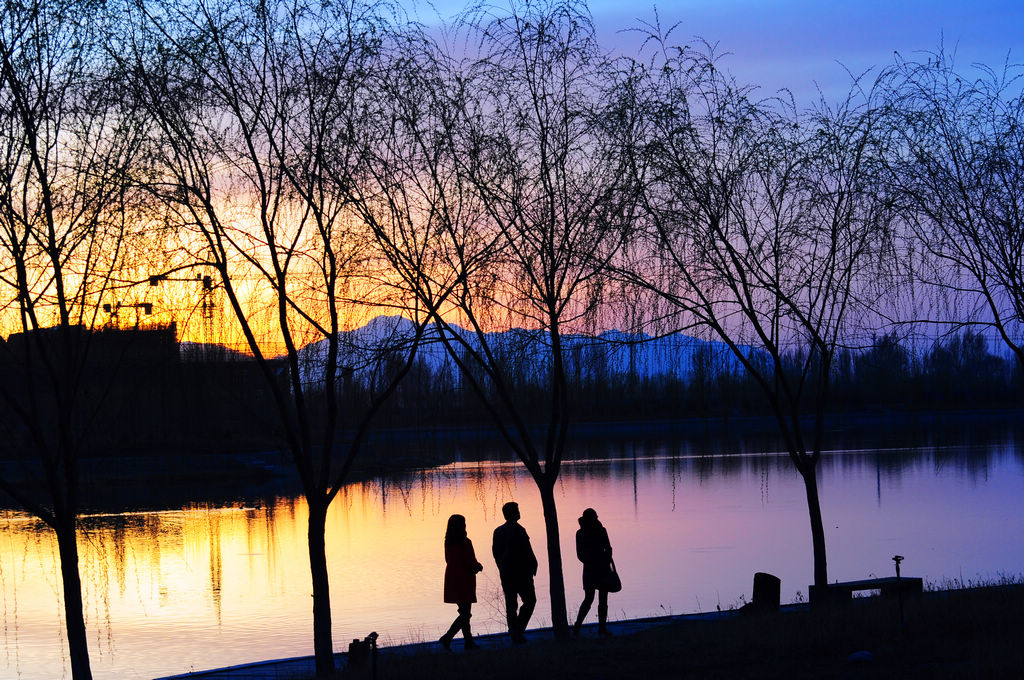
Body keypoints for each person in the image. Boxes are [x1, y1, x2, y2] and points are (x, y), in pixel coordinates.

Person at [491, 501, 537, 643]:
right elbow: (527, 550)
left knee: (511, 604)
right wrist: (533, 565)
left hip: (506, 573)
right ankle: (517, 630)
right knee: (530, 601)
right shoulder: (518, 530)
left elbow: (495, 553)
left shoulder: (498, 531)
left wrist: (501, 568)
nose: (519, 512)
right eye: (517, 510)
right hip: (521, 573)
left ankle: (514, 632)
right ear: (513, 513)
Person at [440, 514, 483, 651]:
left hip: (452, 578)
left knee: (464, 611)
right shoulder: (466, 542)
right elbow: (470, 562)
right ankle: (447, 638)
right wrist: (478, 566)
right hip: (464, 579)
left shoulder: (448, 542)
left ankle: (468, 642)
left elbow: (448, 560)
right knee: (466, 613)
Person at [573, 507, 614, 637]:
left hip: (590, 569)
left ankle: (578, 627)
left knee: (589, 599)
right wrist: (605, 561)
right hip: (600, 568)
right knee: (602, 599)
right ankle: (601, 628)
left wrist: (589, 560)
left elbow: (580, 555)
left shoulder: (580, 533)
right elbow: (608, 549)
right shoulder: (601, 531)